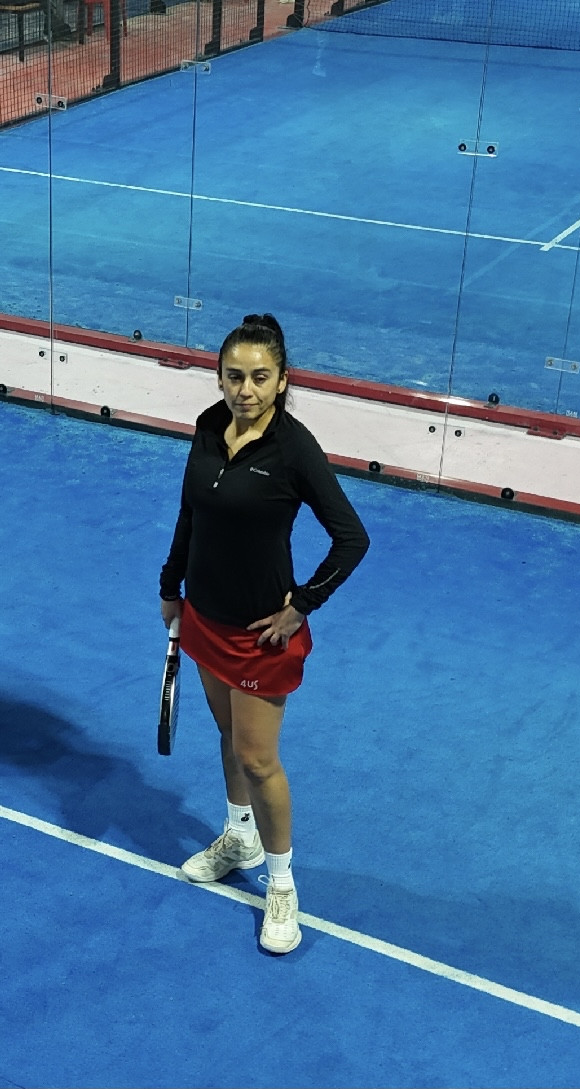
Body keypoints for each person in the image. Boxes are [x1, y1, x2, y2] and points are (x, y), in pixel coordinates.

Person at [159, 313, 370, 954]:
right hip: (204, 617)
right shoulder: (207, 426)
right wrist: (171, 588)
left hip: (259, 638)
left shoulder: (294, 449)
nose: (244, 389)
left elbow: (352, 538)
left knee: (258, 758)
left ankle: (281, 884)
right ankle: (240, 835)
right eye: (233, 376)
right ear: (219, 377)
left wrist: (302, 605)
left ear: (281, 381)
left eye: (258, 377)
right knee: (228, 737)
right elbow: (191, 513)